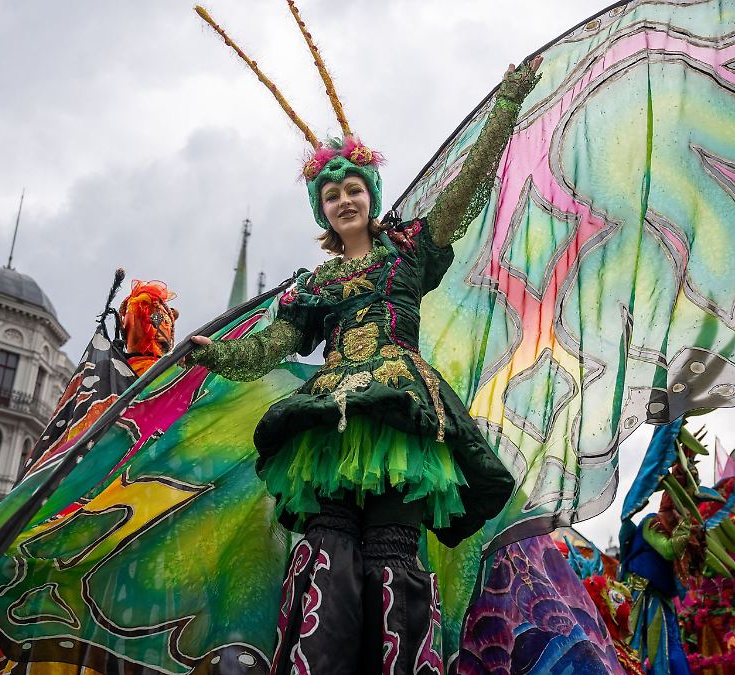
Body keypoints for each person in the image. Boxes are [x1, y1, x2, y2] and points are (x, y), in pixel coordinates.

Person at [189, 4, 541, 671]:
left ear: (371, 196)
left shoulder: (408, 255)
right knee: (328, 545)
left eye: (354, 189)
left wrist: (506, 104)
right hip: (328, 422)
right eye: (332, 195)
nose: (344, 201)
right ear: (321, 209)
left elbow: (464, 190)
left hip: (401, 416)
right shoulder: (314, 284)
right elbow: (272, 345)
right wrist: (220, 356)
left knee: (390, 550)